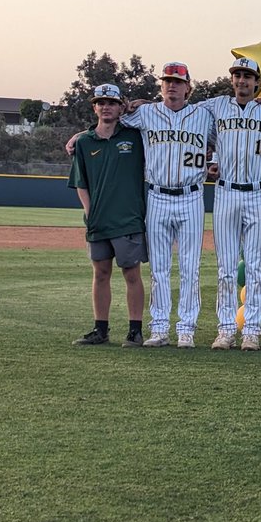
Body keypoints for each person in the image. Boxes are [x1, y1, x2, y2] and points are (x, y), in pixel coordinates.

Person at [118, 61, 213, 348]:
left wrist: (216, 162)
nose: (172, 85)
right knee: (159, 268)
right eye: (167, 81)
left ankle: (186, 328)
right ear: (161, 86)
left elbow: (228, 140)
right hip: (157, 195)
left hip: (192, 195)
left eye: (178, 81)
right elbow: (109, 122)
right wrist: (80, 135)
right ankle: (159, 328)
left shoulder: (204, 115)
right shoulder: (145, 113)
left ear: (188, 88)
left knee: (189, 267)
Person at [200, 57, 261, 352]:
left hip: (258, 192)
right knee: (225, 266)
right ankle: (225, 329)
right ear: (232, 79)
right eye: (237, 75)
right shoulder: (215, 106)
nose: (242, 80)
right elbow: (178, 113)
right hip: (226, 192)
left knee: (255, 267)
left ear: (256, 82)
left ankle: (250, 329)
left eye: (247, 76)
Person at [68, 83, 147, 348]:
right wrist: (90, 214)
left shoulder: (135, 136)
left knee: (131, 273)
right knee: (100, 273)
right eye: (101, 103)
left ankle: (135, 330)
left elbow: (156, 116)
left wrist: (140, 103)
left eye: (111, 103)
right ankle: (100, 329)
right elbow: (81, 183)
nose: (106, 107)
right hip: (98, 219)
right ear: (94, 107)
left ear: (120, 106)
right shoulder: (84, 142)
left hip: (128, 217)